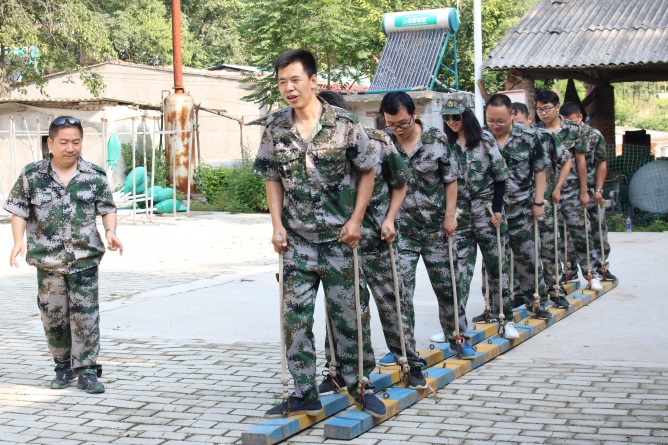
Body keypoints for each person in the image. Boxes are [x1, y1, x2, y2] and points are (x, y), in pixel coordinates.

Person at [254, 50, 386, 418]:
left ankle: (360, 385)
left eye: (295, 80)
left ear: (313, 81)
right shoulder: (275, 127)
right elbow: (271, 177)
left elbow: (368, 170)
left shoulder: (344, 124)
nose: (289, 88)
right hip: (297, 242)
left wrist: (356, 220)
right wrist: (276, 225)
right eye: (282, 82)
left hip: (340, 240)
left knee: (350, 316)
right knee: (294, 319)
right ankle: (304, 392)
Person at [316, 91, 427, 390]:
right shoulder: (315, 150)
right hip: (339, 245)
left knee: (394, 303)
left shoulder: (378, 141)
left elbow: (400, 183)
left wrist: (390, 218)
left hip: (378, 240)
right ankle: (339, 370)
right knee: (341, 309)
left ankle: (410, 362)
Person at [4, 116, 123, 394]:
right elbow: (19, 211)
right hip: (48, 261)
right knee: (53, 317)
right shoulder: (32, 175)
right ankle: (62, 366)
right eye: (64, 142)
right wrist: (18, 241)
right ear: (50, 143)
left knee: (86, 317)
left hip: (84, 260)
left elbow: (107, 208)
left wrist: (111, 231)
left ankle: (87, 370)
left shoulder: (94, 175)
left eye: (76, 142)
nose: (71, 148)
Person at [379, 92, 468, 357]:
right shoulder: (384, 144)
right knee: (399, 291)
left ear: (414, 115)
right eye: (391, 124)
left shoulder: (436, 139)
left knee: (449, 286)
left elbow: (451, 180)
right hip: (402, 230)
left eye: (402, 123)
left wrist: (450, 216)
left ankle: (457, 337)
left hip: (436, 228)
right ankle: (403, 350)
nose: (397, 129)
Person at [441, 99, 516, 336]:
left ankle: (506, 319)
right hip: (460, 214)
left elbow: (501, 176)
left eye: (456, 117)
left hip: (486, 211)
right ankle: (456, 328)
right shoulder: (445, 144)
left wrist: (497, 209)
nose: (451, 122)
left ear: (466, 116)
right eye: (447, 117)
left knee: (497, 267)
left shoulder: (485, 141)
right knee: (458, 271)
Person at [483, 94, 561, 319]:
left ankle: (536, 302)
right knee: (494, 262)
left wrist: (539, 202)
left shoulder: (528, 137)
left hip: (522, 208)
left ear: (512, 115)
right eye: (491, 120)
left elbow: (540, 171)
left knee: (528, 258)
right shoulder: (480, 138)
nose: (495, 126)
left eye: (501, 121)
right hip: (491, 211)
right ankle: (495, 308)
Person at [535, 90, 602, 291]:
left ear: (557, 107)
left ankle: (592, 274)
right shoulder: (536, 132)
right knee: (550, 238)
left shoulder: (573, 129)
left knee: (581, 233)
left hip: (571, 189)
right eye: (539, 109)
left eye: (547, 108)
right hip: (547, 193)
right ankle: (555, 280)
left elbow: (580, 161)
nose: (543, 113)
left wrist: (584, 191)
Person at [512, 102, 574, 302]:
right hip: (518, 205)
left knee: (549, 247)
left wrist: (557, 188)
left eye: (520, 123)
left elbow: (567, 160)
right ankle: (521, 293)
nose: (516, 128)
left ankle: (555, 288)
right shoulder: (505, 140)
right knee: (521, 252)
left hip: (543, 202)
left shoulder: (544, 137)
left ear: (529, 120)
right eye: (513, 124)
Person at [559, 102, 615, 281]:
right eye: (566, 121)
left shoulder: (593, 135)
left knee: (597, 230)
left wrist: (598, 189)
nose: (570, 125)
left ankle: (601, 266)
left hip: (590, 189)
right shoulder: (560, 134)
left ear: (580, 117)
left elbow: (601, 163)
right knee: (566, 233)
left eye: (572, 121)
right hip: (568, 189)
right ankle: (569, 269)